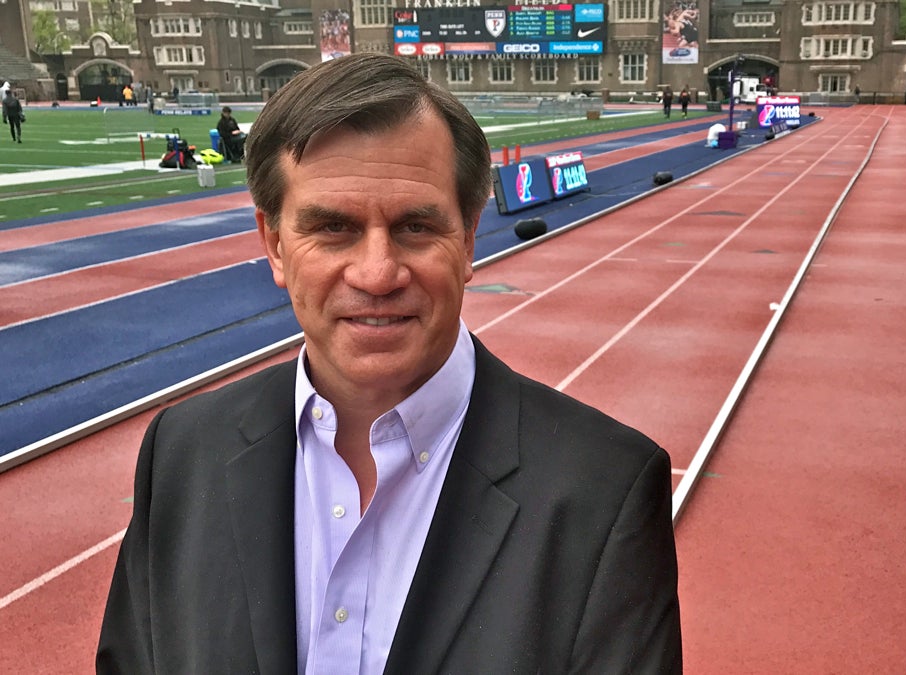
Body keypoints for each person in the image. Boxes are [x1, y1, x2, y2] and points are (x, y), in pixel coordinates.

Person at [97, 52, 682, 674]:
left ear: (466, 240)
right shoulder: (182, 453)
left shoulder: (604, 488)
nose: (377, 274)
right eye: (334, 229)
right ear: (274, 245)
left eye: (414, 228)